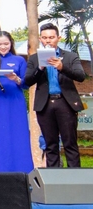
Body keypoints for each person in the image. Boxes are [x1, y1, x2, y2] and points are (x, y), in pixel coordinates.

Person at [25, 23, 85, 169]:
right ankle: (53, 178)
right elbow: (27, 81)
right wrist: (40, 68)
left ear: (58, 38)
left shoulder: (70, 56)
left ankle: (75, 177)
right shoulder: (34, 59)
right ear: (40, 39)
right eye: (45, 38)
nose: (48, 41)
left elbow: (81, 76)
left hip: (65, 103)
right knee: (50, 145)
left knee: (70, 143)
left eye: (51, 37)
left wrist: (62, 67)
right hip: (45, 105)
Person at [0, 31, 32, 173]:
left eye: (6, 43)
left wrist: (16, 79)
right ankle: (0, 170)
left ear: (11, 43)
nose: (3, 47)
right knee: (0, 136)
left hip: (16, 100)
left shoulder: (19, 60)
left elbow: (26, 84)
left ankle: (24, 170)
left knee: (19, 134)